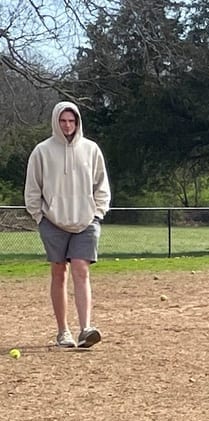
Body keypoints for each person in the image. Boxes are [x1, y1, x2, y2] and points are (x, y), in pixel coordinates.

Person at [24, 101, 111, 348]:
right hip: (52, 221)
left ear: (78, 122)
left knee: (81, 269)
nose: (68, 125)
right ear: (56, 122)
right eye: (63, 121)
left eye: (72, 121)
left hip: (86, 221)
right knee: (59, 272)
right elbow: (32, 188)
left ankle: (86, 328)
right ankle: (63, 332)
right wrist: (39, 217)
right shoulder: (42, 151)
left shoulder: (91, 149)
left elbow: (101, 185)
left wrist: (98, 213)